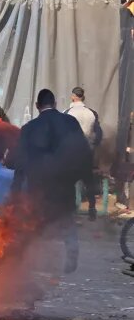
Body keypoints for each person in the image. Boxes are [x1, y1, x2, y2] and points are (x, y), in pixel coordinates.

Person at [11, 89, 93, 274]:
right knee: (66, 219)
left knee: (35, 221)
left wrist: (15, 191)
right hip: (64, 183)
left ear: (37, 106)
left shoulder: (29, 128)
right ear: (55, 103)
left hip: (39, 186)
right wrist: (89, 182)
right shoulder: (70, 122)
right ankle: (71, 256)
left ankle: (35, 261)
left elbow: (20, 162)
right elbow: (83, 152)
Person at [64, 86, 103, 219]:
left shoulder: (67, 112)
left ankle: (70, 210)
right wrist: (93, 145)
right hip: (87, 152)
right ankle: (92, 209)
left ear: (73, 96)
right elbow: (99, 133)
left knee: (69, 182)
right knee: (89, 181)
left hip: (72, 153)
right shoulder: (92, 113)